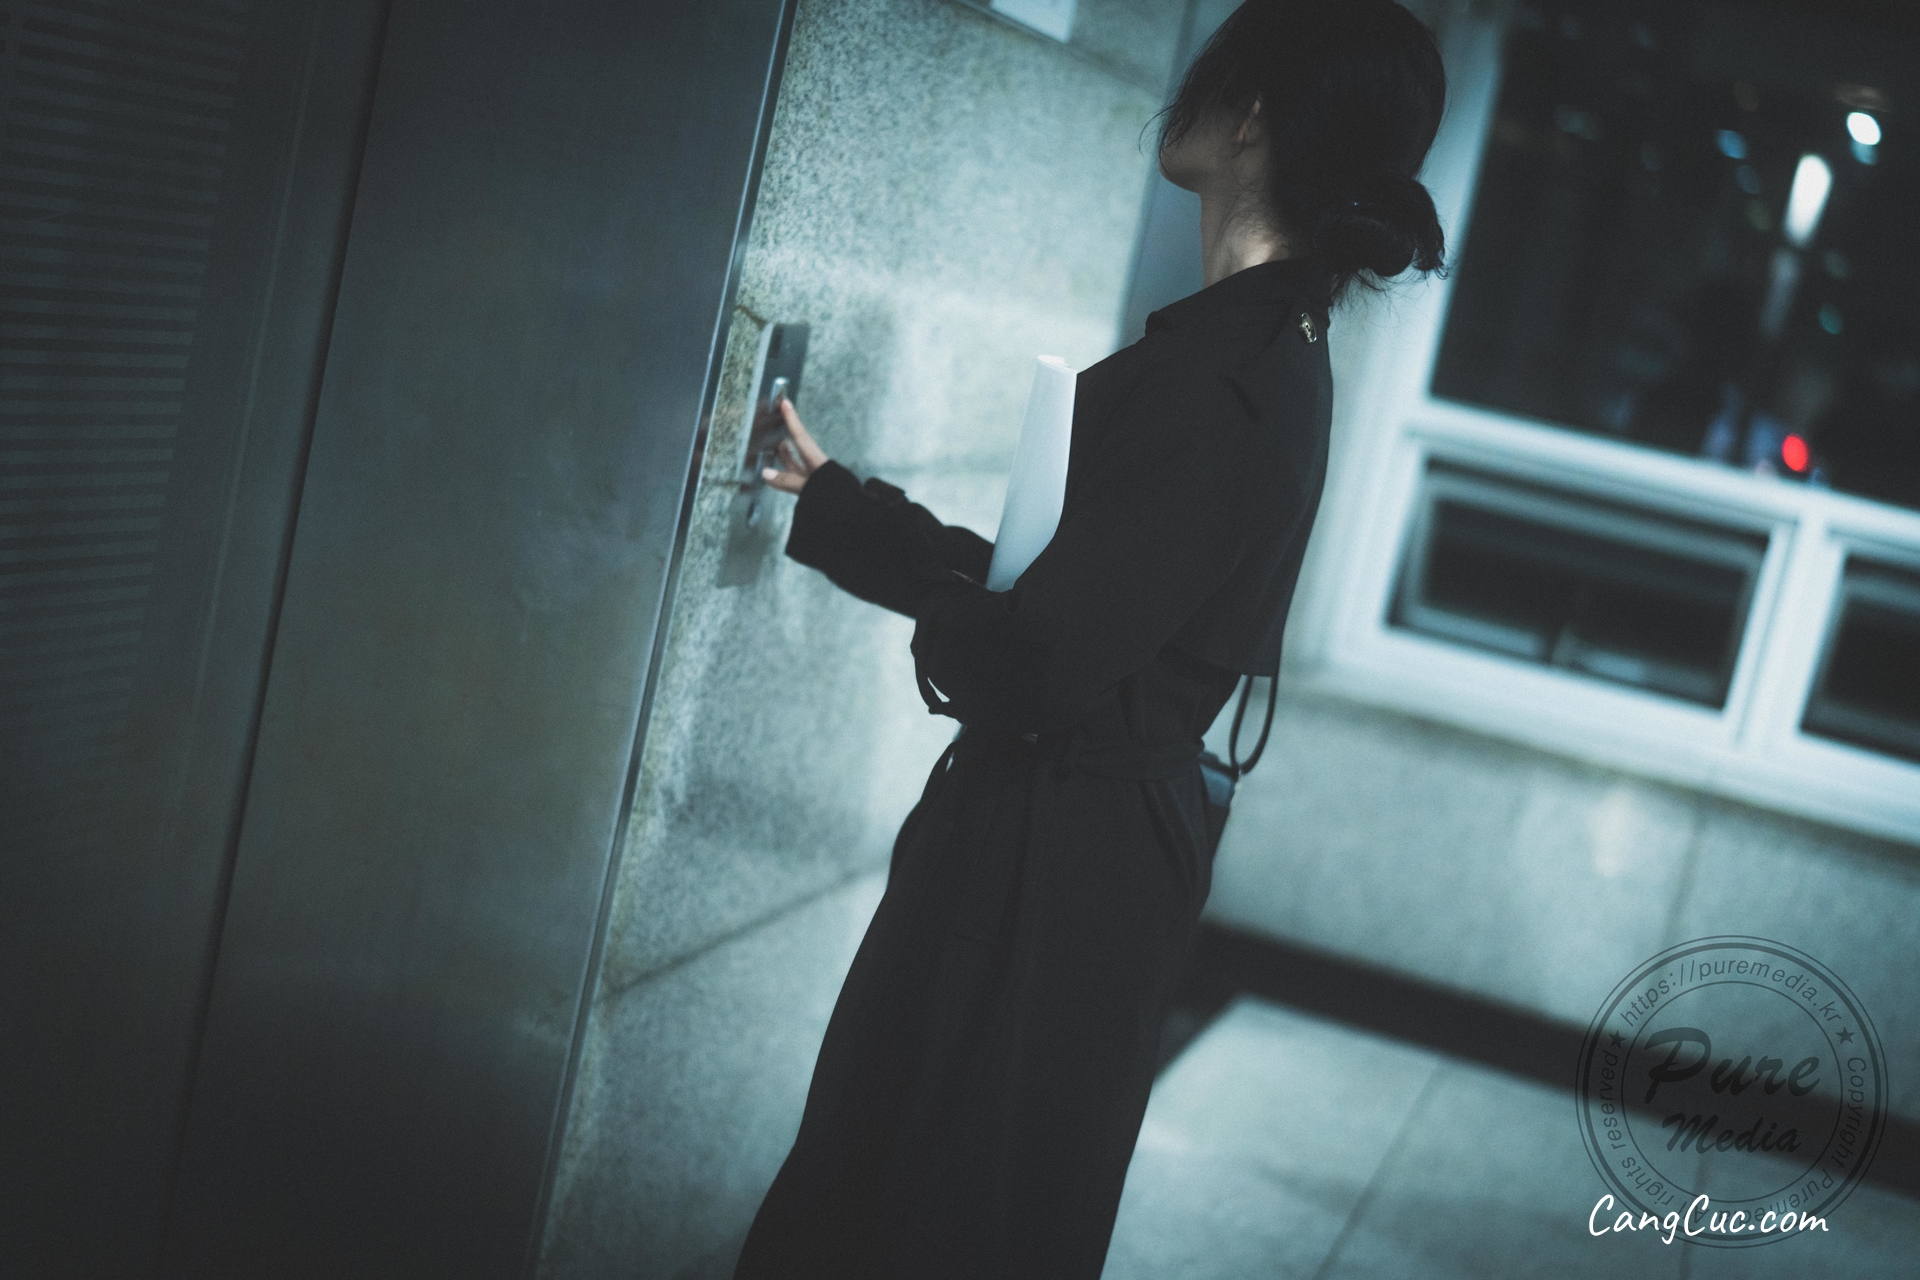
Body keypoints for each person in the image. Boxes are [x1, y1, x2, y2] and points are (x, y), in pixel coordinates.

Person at [732, 2, 1447, 1275]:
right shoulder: (1269, 348)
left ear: (1254, 112)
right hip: (1094, 841)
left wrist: (949, 606)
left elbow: (1035, 656)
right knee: (950, 1191)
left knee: (908, 1201)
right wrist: (845, 507)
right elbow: (1067, 595)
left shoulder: (1224, 381)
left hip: (1052, 854)